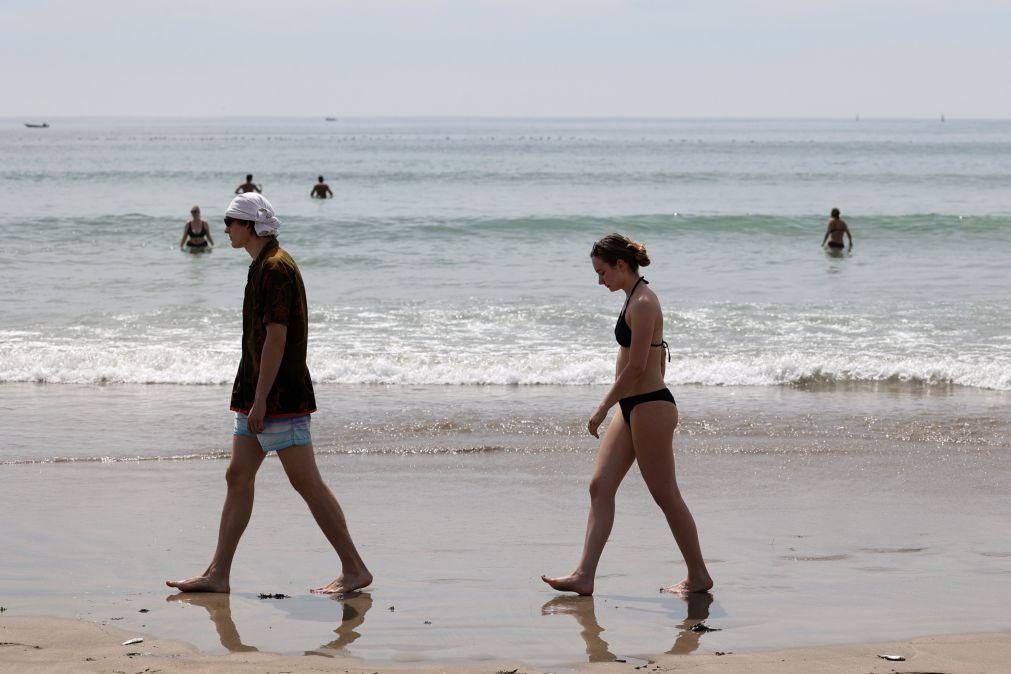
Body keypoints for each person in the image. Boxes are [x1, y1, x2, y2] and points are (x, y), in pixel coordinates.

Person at [166, 193, 371, 596]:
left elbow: (277, 338)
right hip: (256, 391)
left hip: (278, 396)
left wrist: (261, 400)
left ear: (250, 226)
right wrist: (253, 397)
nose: (225, 229)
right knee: (237, 476)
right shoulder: (262, 264)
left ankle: (355, 568)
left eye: (231, 223)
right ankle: (218, 574)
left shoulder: (275, 268)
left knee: (307, 483)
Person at [542, 234, 713, 596]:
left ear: (620, 265)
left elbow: (637, 368)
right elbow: (656, 355)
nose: (599, 280)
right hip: (632, 406)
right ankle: (584, 575)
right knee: (599, 486)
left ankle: (698, 575)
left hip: (650, 405)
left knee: (665, 495)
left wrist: (602, 407)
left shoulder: (645, 302)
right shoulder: (632, 299)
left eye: (602, 272)